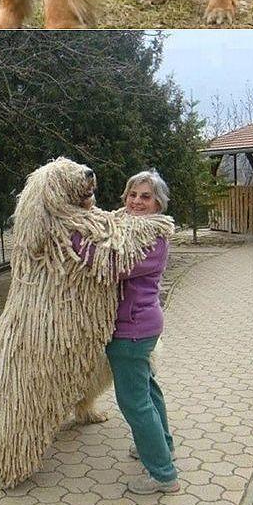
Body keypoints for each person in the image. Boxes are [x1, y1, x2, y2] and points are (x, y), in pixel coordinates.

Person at [72, 164, 177, 487]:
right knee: (148, 389)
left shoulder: (152, 239)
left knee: (134, 401)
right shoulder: (127, 225)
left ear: (158, 204)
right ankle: (164, 447)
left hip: (133, 330)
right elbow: (108, 225)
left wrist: (73, 236)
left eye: (145, 197)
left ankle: (162, 475)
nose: (136, 201)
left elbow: (111, 264)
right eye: (132, 194)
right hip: (140, 326)